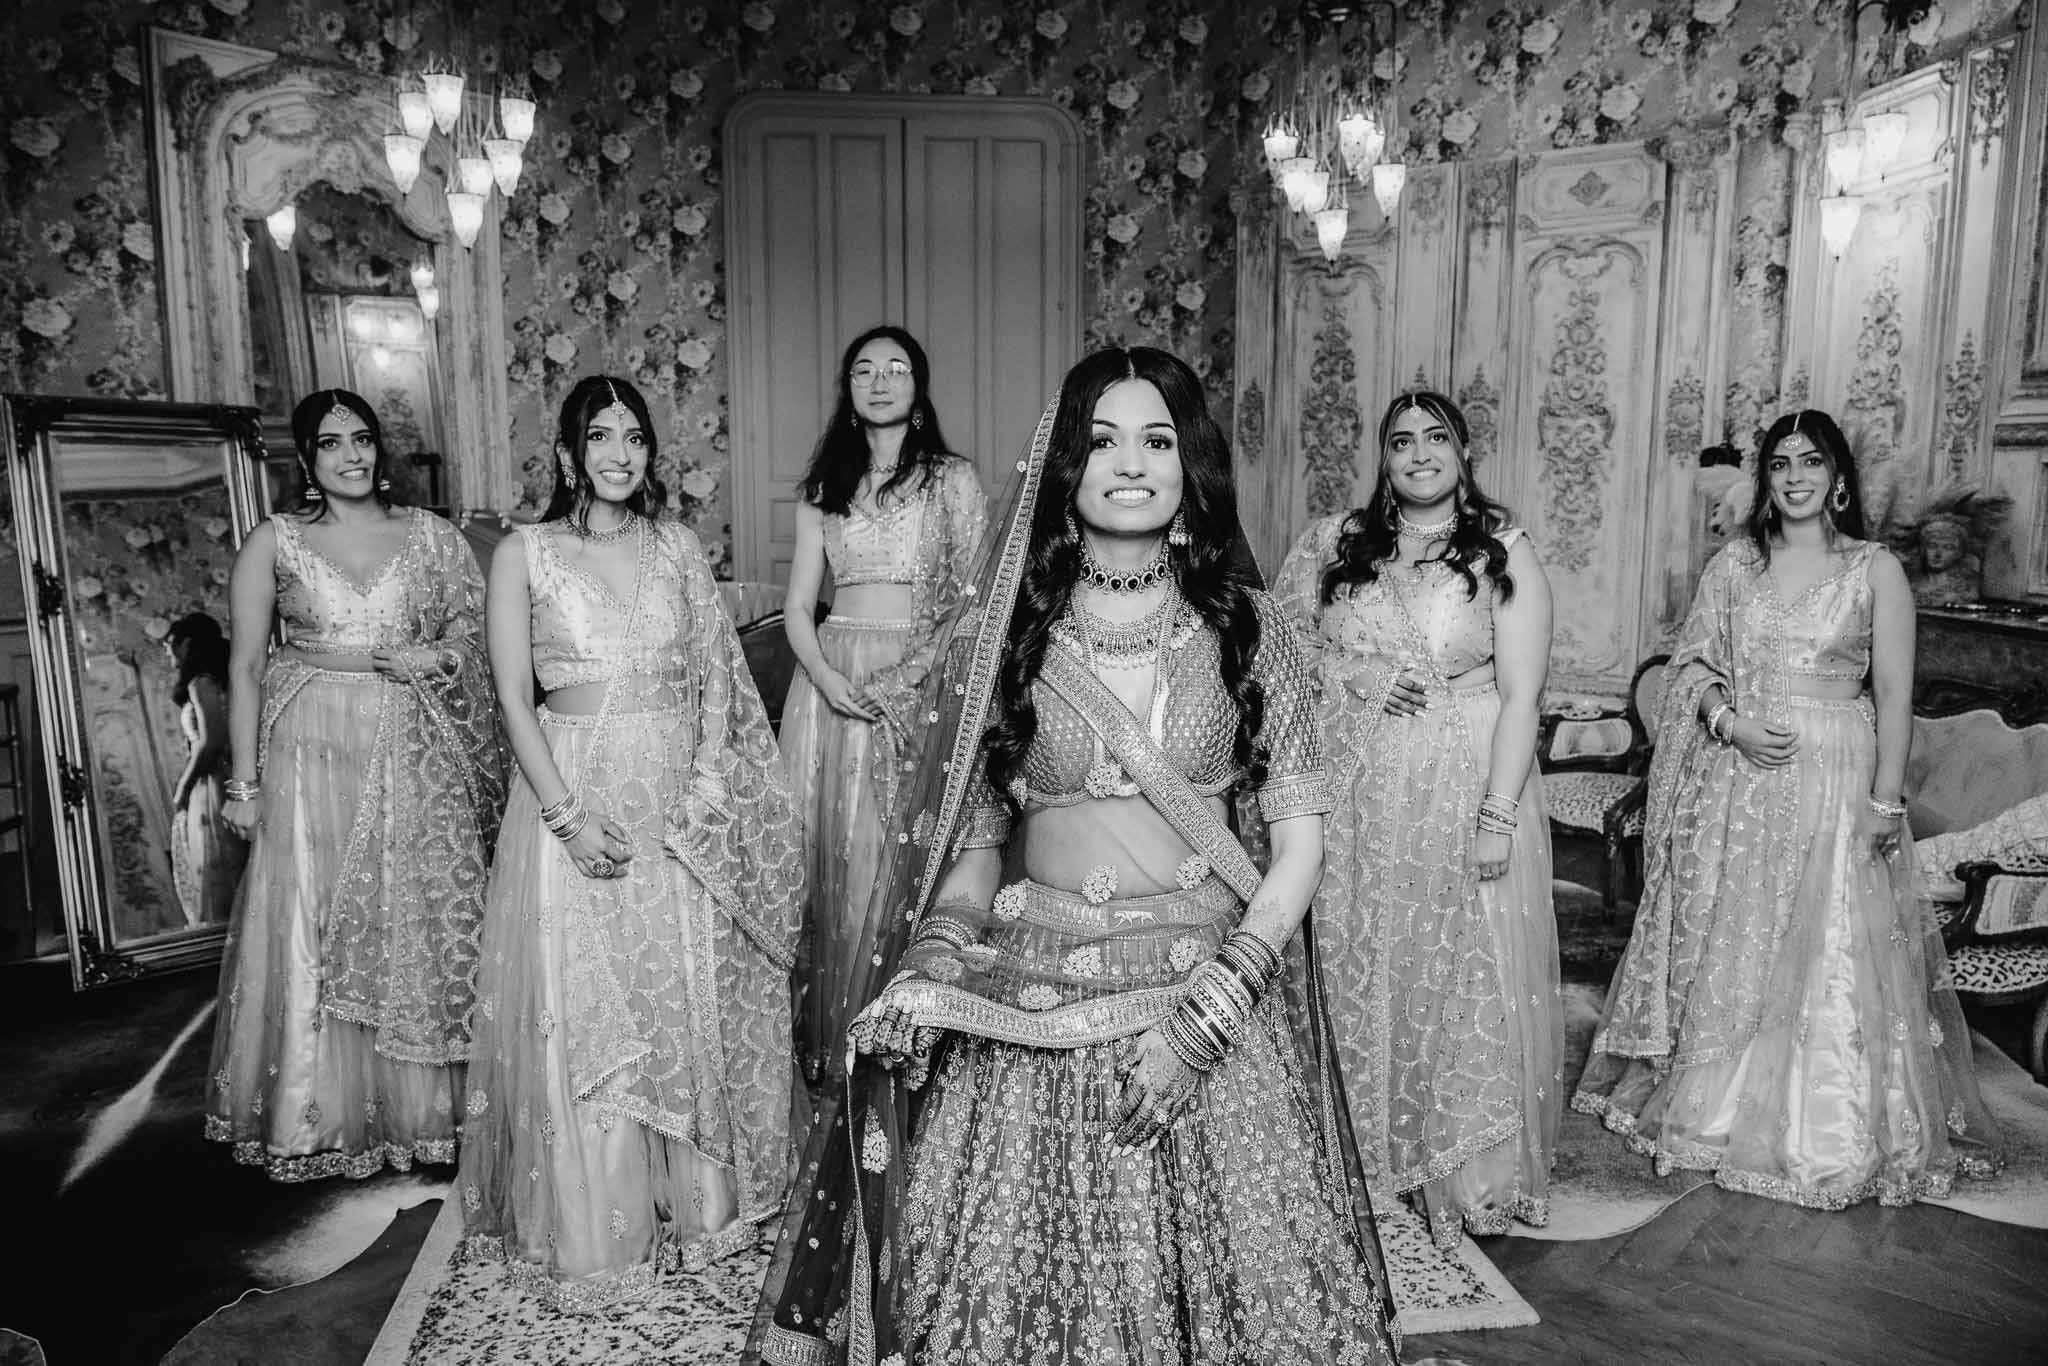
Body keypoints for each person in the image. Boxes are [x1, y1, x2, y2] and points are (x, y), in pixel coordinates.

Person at [748, 348, 1398, 1366]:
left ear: (1190, 469)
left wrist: (1206, 1022)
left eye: (1156, 439)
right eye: (1101, 441)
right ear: (1064, 468)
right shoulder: (1006, 637)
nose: (1129, 463)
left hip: (1204, 998)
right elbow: (974, 848)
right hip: (1026, 1001)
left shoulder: (1248, 628)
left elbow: (1297, 849)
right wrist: (933, 958)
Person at [1573, 409, 2001, 1207]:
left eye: (1812, 461)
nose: (1796, 475)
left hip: (1840, 766)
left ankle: (1827, 1125)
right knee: (1743, 934)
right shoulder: (1736, 564)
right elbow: (1692, 665)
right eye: (1781, 464)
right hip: (1742, 772)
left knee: (1833, 939)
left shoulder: (1875, 570)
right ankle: (1720, 1108)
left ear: (1839, 478)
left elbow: (1897, 696)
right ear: (1765, 479)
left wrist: (1885, 798)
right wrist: (1728, 723)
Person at [457, 375, 805, 1310]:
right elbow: (510, 698)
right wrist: (567, 818)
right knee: (590, 1005)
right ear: (568, 455)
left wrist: (700, 791)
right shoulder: (525, 554)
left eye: (635, 437)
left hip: (672, 805)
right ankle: (596, 1221)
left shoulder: (678, 547)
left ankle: (700, 1209)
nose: (619, 453)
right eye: (599, 436)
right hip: (571, 793)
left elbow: (719, 684)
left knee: (679, 992)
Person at [1274, 389, 1562, 1249]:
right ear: (1384, 458)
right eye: (1402, 441)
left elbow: (1521, 697)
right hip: (1356, 793)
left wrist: (1497, 816)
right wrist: (1352, 677)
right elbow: (1276, 649)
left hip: (1463, 775)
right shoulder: (1335, 544)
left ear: (1463, 450)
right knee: (1361, 952)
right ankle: (1360, 1148)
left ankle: (1459, 1165)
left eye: (1436, 437)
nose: (1419, 453)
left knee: (1454, 965)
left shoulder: (1502, 550)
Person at [205, 389, 505, 1181]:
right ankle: (323, 1115)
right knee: (319, 916)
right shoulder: (275, 542)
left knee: (409, 911)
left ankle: (425, 1114)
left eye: (363, 439)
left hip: (413, 742)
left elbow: (473, 631)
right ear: (306, 458)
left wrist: (435, 658)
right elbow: (241, 666)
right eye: (331, 442)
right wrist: (243, 784)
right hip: (310, 754)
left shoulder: (430, 537)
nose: (352, 455)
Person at [781, 326, 987, 1082]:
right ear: (849, 388)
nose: (880, 380)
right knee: (835, 855)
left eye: (896, 368)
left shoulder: (952, 481)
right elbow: (800, 606)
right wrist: (828, 679)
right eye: (864, 369)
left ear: (918, 387)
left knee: (904, 852)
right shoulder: (823, 489)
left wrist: (914, 675)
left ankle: (912, 1038)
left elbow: (974, 596)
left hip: (922, 680)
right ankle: (835, 1043)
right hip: (834, 682)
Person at [165, 611, 244, 927]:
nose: (168, 653)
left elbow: (210, 741)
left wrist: (183, 786)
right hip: (231, 774)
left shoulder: (202, 683)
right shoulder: (226, 677)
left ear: (187, 644)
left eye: (171, 644)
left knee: (220, 864)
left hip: (216, 783)